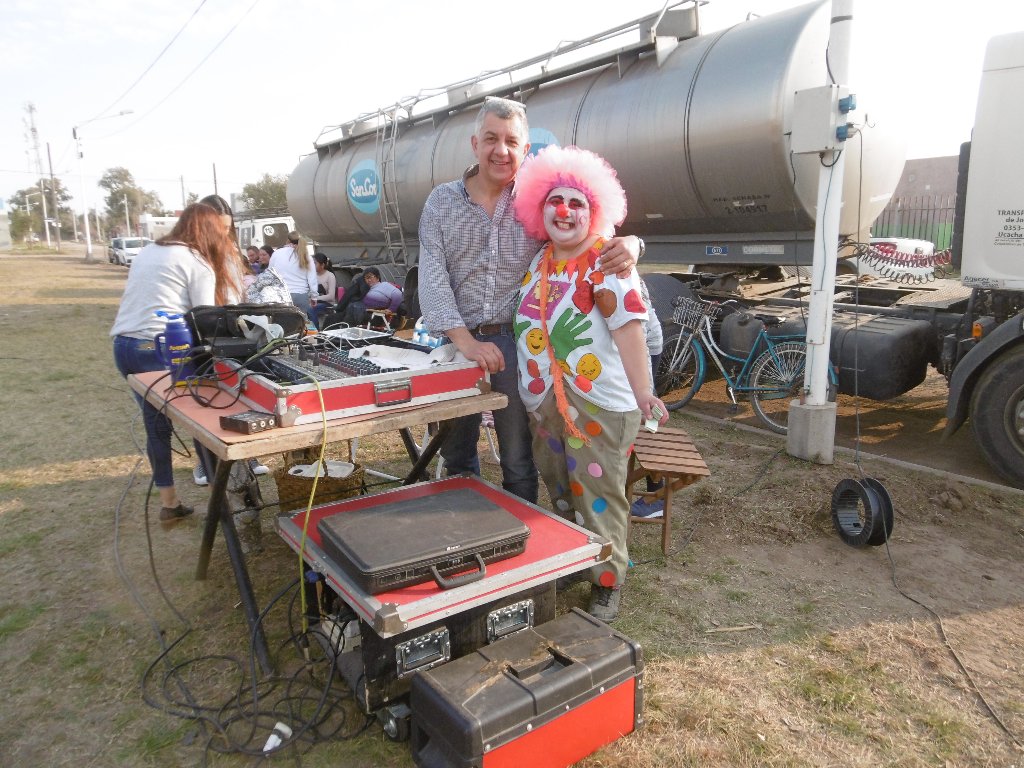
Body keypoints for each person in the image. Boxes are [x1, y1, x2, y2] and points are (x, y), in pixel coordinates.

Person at [417, 96, 643, 503]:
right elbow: (432, 278)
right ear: (474, 143)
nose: (500, 151)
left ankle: (520, 542)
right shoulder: (441, 203)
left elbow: (585, 233)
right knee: (458, 452)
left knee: (518, 460)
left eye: (511, 141)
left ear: (525, 150)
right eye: (491, 138)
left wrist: (631, 242)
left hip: (519, 348)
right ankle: (464, 533)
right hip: (458, 343)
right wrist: (466, 343)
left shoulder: (538, 203)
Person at [511, 145, 668, 621]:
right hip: (543, 404)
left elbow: (629, 329)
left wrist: (644, 394)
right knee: (560, 490)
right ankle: (573, 560)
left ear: (594, 211)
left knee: (600, 498)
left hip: (599, 404)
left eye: (577, 203)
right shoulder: (538, 262)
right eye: (554, 201)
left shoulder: (609, 263)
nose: (564, 211)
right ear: (539, 210)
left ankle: (607, 580)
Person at [110, 202, 243, 522]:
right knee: (203, 422)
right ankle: (218, 501)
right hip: (159, 348)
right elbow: (205, 319)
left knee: (156, 426)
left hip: (124, 346)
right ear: (209, 230)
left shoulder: (149, 250)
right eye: (221, 231)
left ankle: (169, 504)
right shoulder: (197, 261)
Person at [631, 278, 667, 518]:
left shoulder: (620, 273)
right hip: (643, 344)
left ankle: (656, 497)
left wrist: (643, 387)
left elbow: (639, 333)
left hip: (644, 347)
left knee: (649, 420)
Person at [268, 230, 318, 320]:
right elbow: (312, 279)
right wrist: (314, 296)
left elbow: (269, 274)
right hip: (301, 295)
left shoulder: (277, 253)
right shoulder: (306, 256)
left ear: (287, 240)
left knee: (281, 324)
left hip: (281, 295)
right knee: (301, 324)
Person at [310, 253, 337, 328]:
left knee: (311, 308)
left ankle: (315, 331)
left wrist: (315, 298)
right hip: (314, 300)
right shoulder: (312, 275)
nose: (312, 265)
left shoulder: (330, 276)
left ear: (322, 265)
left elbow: (331, 296)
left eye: (315, 263)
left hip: (327, 304)